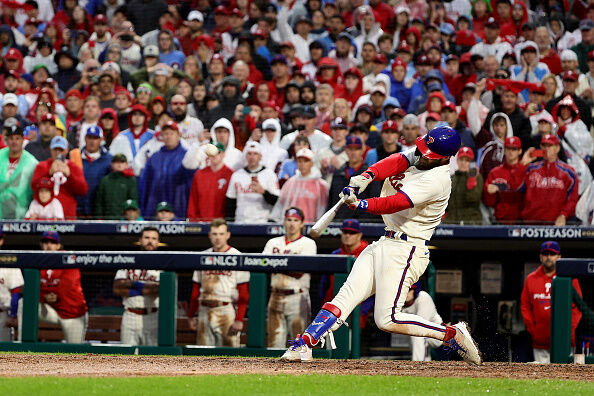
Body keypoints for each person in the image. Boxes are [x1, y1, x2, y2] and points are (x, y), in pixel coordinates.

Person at [280, 126, 481, 366]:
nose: (422, 153)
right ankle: (306, 343)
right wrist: (367, 176)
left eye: (429, 153)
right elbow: (397, 160)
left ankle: (451, 334)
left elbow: (396, 202)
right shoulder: (423, 153)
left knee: (387, 319)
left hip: (408, 249)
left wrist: (362, 204)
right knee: (345, 297)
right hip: (385, 242)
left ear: (444, 157)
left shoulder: (437, 180)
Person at [187, 218, 249, 347]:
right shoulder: (202, 256)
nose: (218, 238)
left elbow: (244, 293)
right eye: (214, 234)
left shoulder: (237, 256)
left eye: (221, 234)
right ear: (209, 235)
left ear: (228, 235)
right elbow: (195, 290)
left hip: (225, 309)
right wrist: (191, 315)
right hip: (204, 310)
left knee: (230, 357)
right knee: (202, 356)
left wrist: (239, 319)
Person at [521, 241, 582, 364]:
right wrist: (534, 330)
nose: (548, 257)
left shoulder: (569, 278)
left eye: (552, 254)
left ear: (559, 257)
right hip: (540, 342)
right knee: (541, 379)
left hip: (565, 342)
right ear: (540, 257)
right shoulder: (531, 278)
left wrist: (570, 330)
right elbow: (525, 307)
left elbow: (578, 308)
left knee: (566, 378)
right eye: (546, 253)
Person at [264, 207, 317, 348]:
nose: (292, 224)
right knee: (274, 344)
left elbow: (300, 271)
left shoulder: (308, 243)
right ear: (284, 222)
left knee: (299, 345)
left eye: (295, 220)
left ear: (301, 224)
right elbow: (263, 266)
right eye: (288, 220)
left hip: (297, 297)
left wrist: (276, 265)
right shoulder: (273, 243)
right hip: (275, 296)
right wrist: (287, 265)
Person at [113, 226, 161, 346]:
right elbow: (117, 287)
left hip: (152, 316)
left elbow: (158, 290)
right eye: (147, 238)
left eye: (154, 238)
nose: (150, 241)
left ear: (158, 242)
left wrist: (132, 285)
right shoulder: (128, 259)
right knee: (127, 358)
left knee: (152, 358)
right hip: (130, 315)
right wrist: (143, 287)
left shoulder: (163, 262)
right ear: (140, 240)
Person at [39, 231, 88, 344]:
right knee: (24, 304)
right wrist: (44, 297)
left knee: (75, 352)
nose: (49, 245)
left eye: (52, 242)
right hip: (51, 310)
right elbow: (32, 287)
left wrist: (51, 295)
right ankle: (21, 348)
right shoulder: (37, 260)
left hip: (72, 312)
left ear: (58, 246)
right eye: (45, 242)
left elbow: (68, 285)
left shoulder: (68, 258)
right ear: (41, 245)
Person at [138, 121, 194, 219]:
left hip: (179, 205)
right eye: (166, 134)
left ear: (178, 135)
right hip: (155, 207)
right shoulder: (154, 157)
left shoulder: (187, 156)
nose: (169, 136)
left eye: (172, 133)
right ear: (162, 136)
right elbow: (145, 185)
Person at [520, 135, 579, 226]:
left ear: (557, 148)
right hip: (530, 224)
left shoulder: (569, 172)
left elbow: (572, 200)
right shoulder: (530, 169)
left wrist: (563, 215)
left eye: (550, 146)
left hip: (556, 225)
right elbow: (516, 188)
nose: (546, 149)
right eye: (544, 146)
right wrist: (522, 164)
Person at [31, 136, 88, 219]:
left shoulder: (73, 167)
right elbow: (34, 187)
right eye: (55, 149)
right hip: (46, 218)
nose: (58, 152)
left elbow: (83, 190)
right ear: (50, 149)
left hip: (67, 218)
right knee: (51, 231)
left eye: (61, 150)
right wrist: (48, 173)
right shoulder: (42, 166)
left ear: (67, 150)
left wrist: (70, 175)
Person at [225, 141, 280, 223]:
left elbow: (277, 202)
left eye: (255, 154)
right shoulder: (237, 175)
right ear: (245, 156)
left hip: (262, 222)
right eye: (249, 154)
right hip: (241, 221)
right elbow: (230, 201)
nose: (252, 157)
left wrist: (264, 192)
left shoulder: (269, 174)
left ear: (260, 156)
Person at [483, 137, 529, 224]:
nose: (511, 152)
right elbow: (489, 202)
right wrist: (489, 193)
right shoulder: (495, 172)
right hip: (502, 219)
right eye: (508, 148)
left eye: (514, 149)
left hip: (523, 219)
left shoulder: (527, 170)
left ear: (520, 151)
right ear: (504, 150)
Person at [187, 142, 233, 222]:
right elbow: (193, 200)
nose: (214, 155)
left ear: (223, 154)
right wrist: (193, 220)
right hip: (202, 222)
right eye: (211, 153)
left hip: (222, 224)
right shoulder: (199, 174)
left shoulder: (230, 175)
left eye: (217, 152)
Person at [0, 124, 38, 219]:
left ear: (22, 140)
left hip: (20, 213)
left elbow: (35, 189)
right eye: (11, 138)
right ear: (7, 140)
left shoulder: (32, 162)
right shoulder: (0, 156)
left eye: (17, 138)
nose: (14, 142)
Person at [402, 281, 444, 361]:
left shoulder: (423, 297)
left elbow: (420, 325)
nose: (406, 293)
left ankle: (418, 365)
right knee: (413, 333)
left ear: (415, 290)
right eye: (404, 290)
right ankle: (425, 365)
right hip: (425, 335)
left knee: (416, 332)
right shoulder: (400, 303)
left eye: (409, 290)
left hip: (438, 333)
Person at [443, 147, 484, 225]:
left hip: (471, 222)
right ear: (457, 161)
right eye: (461, 159)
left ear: (472, 163)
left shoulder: (477, 177)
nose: (463, 163)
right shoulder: (452, 178)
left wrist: (471, 181)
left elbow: (474, 199)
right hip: (451, 221)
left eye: (467, 160)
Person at [78, 126, 112, 217]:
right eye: (90, 137)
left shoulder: (108, 160)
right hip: (78, 210)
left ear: (101, 140)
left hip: (99, 211)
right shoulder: (75, 157)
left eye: (95, 138)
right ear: (85, 138)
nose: (92, 141)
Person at [94, 154, 138, 220]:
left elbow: (134, 201)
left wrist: (131, 216)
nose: (119, 164)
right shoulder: (105, 180)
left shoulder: (130, 180)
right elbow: (99, 201)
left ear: (126, 164)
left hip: (124, 219)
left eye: (122, 162)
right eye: (116, 162)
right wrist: (99, 217)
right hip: (107, 218)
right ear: (112, 164)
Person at [0, 229, 24, 342]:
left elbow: (16, 292)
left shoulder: (10, 262)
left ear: (1, 241)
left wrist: (13, 315)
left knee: (4, 351)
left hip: (3, 316)